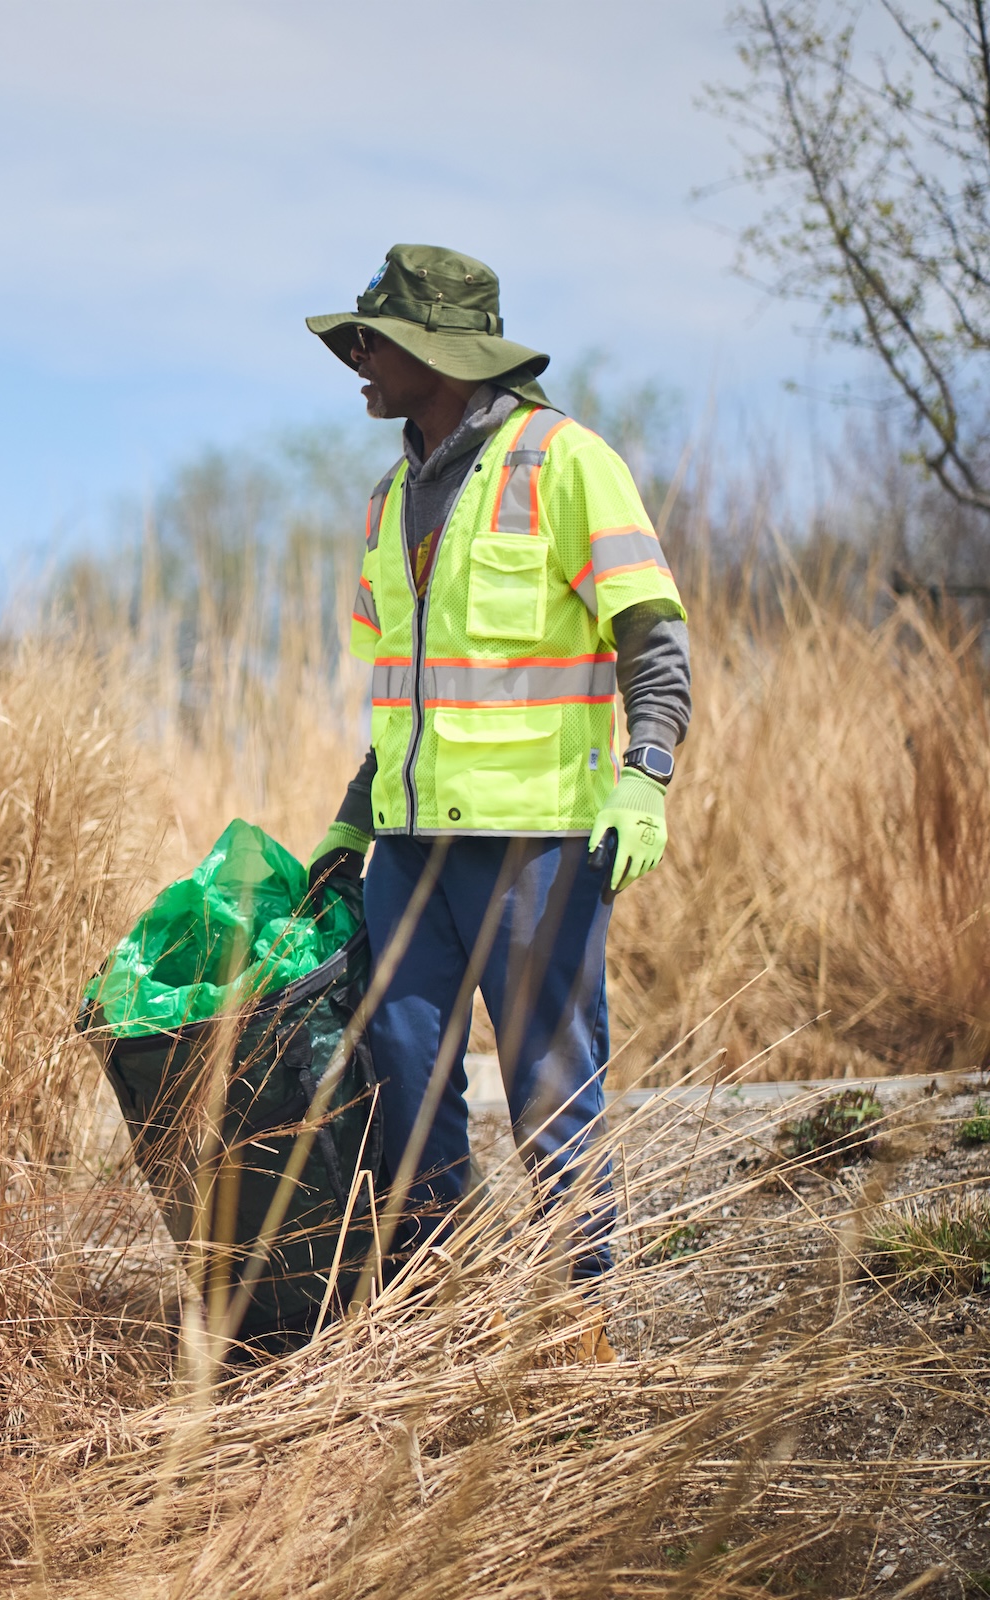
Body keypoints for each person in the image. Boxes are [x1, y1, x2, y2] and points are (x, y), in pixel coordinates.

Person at [301, 245, 691, 1352]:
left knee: (550, 1094)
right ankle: (436, 1320)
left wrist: (645, 775)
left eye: (371, 342)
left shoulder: (567, 463)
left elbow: (654, 643)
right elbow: (405, 700)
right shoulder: (386, 500)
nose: (356, 364)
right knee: (404, 1091)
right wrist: (352, 816)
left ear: (438, 352)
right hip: (411, 855)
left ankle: (581, 1324)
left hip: (542, 850)